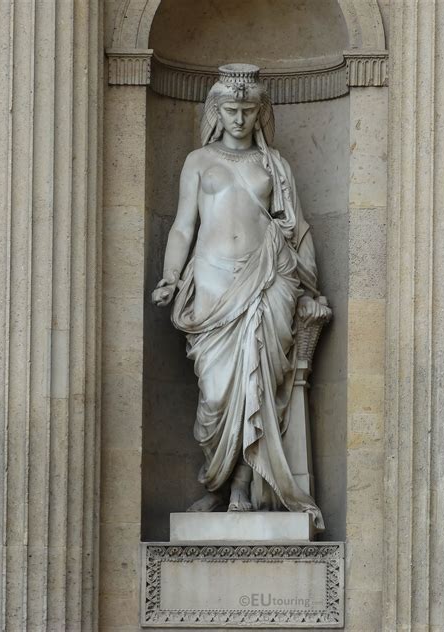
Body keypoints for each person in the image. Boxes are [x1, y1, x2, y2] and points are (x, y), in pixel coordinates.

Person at [152, 64, 329, 529]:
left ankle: (241, 486)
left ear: (259, 114)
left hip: (266, 279)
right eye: (230, 109)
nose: (238, 118)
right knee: (214, 395)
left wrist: (308, 288)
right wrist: (172, 275)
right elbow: (183, 225)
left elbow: (296, 229)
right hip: (211, 283)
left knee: (257, 385)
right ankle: (215, 482)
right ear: (217, 111)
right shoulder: (199, 161)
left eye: (247, 110)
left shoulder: (276, 166)